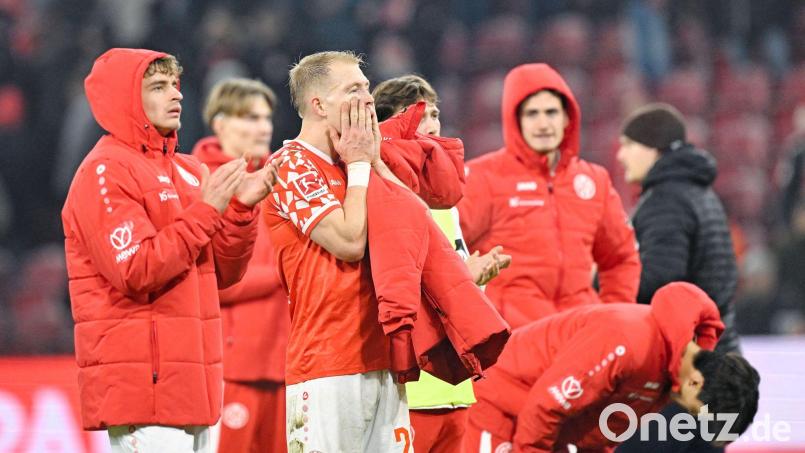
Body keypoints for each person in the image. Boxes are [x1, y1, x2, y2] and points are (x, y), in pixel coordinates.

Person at [62, 48, 277, 452]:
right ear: (125, 98)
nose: (176, 95)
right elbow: (138, 268)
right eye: (158, 87)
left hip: (193, 388)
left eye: (175, 86)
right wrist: (208, 209)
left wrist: (241, 211)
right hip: (145, 390)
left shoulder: (190, 169)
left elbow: (224, 276)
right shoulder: (104, 171)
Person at [263, 51, 410, 452]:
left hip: (385, 360)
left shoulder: (356, 162)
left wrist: (375, 164)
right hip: (328, 366)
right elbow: (348, 242)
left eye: (366, 86)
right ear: (319, 104)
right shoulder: (289, 165)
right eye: (354, 89)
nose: (367, 98)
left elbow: (414, 228)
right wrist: (364, 165)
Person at [373, 74, 511, 453]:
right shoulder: (381, 193)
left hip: (454, 388)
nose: (431, 125)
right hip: (410, 390)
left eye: (435, 114)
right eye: (416, 115)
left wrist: (474, 278)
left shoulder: (446, 206)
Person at [462, 282, 760, 453]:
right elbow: (544, 407)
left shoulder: (668, 378)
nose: (687, 419)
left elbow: (600, 430)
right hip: (499, 405)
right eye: (695, 413)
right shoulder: (628, 339)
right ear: (696, 383)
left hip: (544, 427)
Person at [458, 63, 641, 329]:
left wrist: (611, 319)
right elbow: (448, 255)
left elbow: (620, 258)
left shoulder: (594, 181)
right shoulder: (483, 178)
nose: (543, 123)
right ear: (515, 119)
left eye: (551, 112)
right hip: (513, 345)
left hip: (579, 340)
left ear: (567, 118)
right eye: (532, 114)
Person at [614, 103, 742, 452]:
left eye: (628, 144)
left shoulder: (666, 199)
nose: (621, 155)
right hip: (721, 367)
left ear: (652, 147)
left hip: (682, 376)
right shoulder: (701, 194)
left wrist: (603, 278)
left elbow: (660, 280)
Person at [192, 78, 289, 453]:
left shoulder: (282, 182)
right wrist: (282, 274)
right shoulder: (199, 181)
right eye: (250, 117)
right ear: (219, 123)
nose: (263, 127)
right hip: (230, 367)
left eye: (266, 117)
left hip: (286, 364)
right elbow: (209, 280)